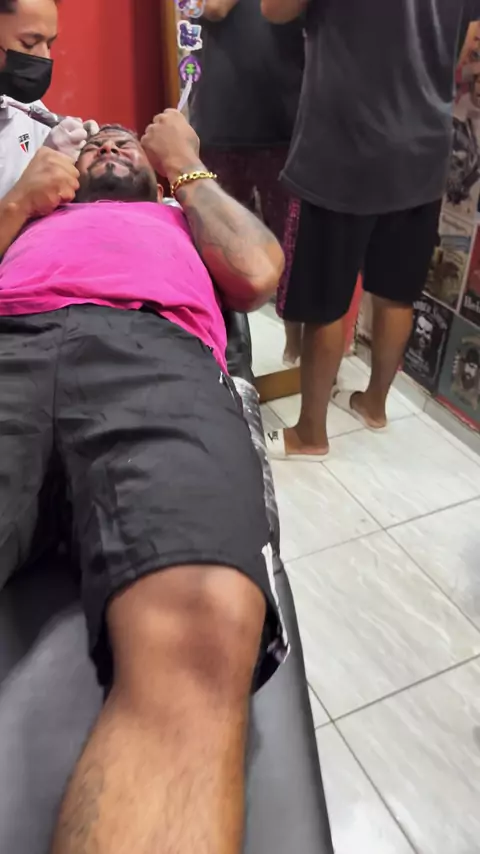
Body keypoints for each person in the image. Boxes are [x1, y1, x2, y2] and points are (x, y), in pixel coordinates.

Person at [0, 112, 287, 853]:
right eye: (94, 144)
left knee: (204, 620)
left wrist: (185, 164)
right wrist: (19, 200)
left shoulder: (179, 215)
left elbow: (258, 271)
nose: (106, 145)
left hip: (157, 355)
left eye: (124, 142)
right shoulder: (30, 212)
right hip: (9, 345)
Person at [261, 0, 479, 460]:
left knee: (325, 300)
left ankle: (310, 434)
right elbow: (462, 51)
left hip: (344, 145)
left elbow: (274, 9)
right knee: (397, 291)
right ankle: (374, 404)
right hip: (423, 147)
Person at [191, 0, 305, 364]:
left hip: (284, 119)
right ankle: (219, 344)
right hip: (222, 117)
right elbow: (212, 8)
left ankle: (296, 345)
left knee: (292, 244)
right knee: (216, 244)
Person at [0, 0, 97, 203]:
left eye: (49, 45)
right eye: (29, 43)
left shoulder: (29, 112)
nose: (44, 57)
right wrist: (21, 201)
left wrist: (67, 158)